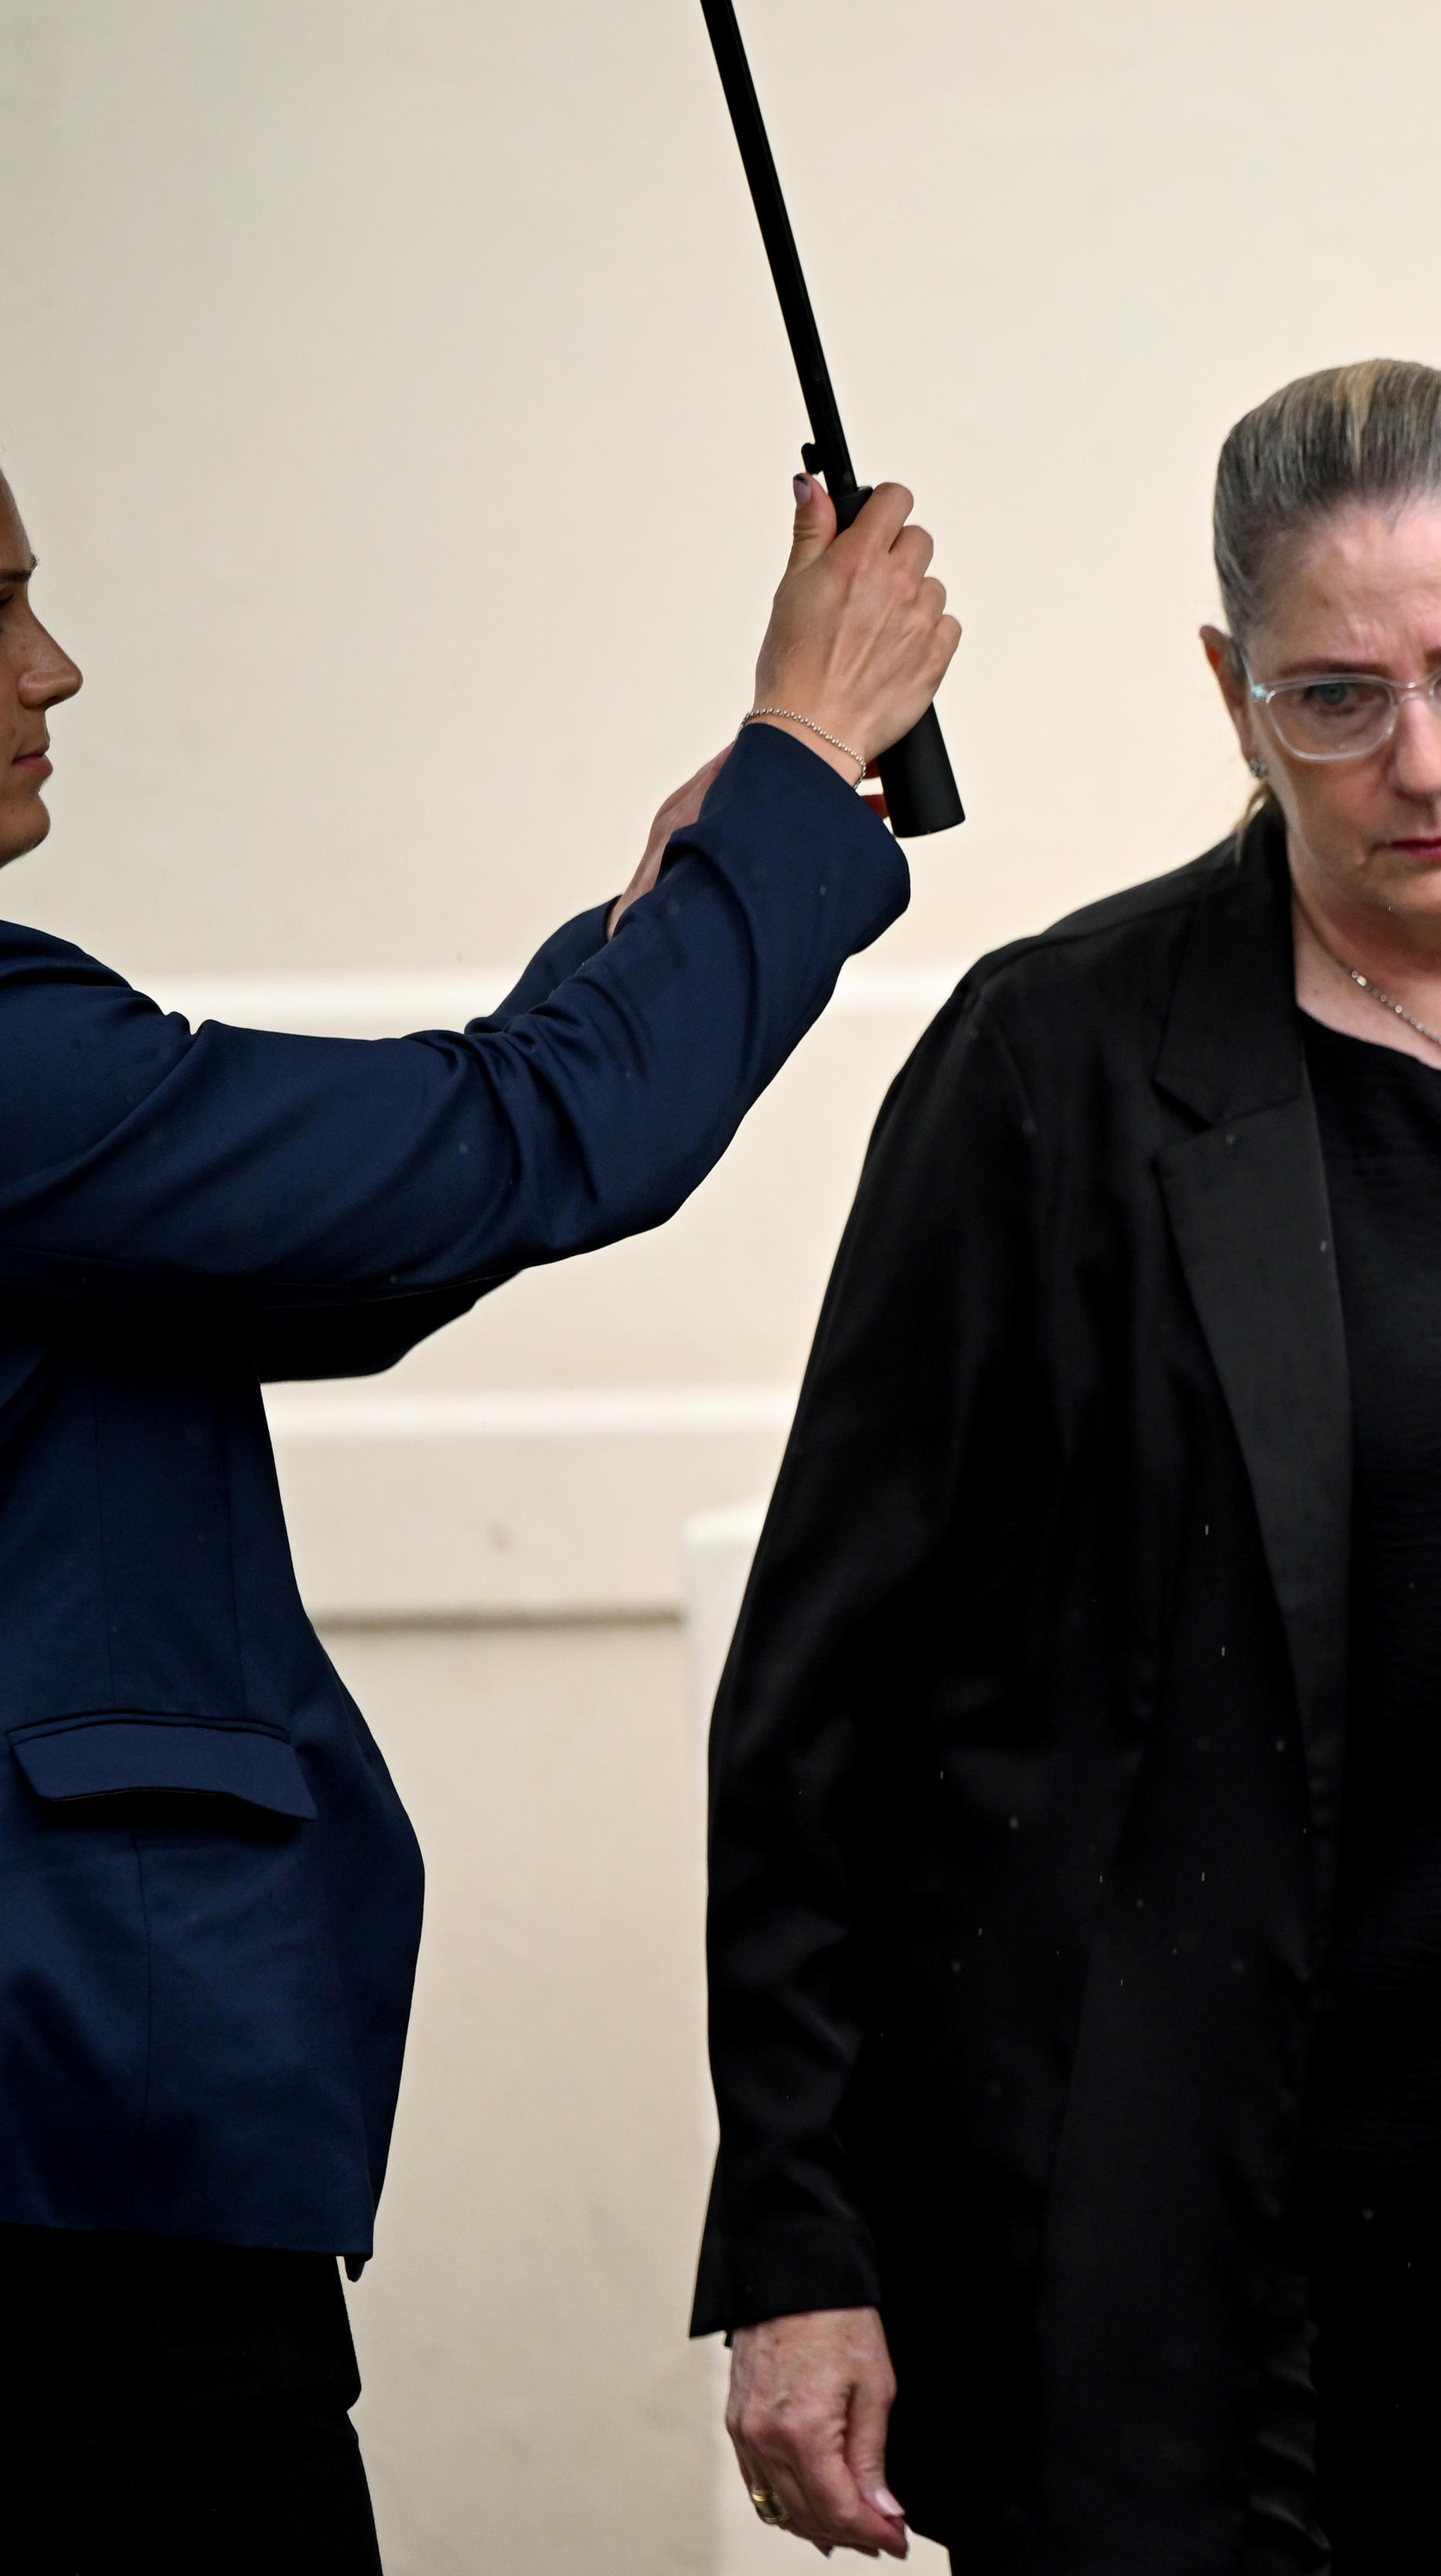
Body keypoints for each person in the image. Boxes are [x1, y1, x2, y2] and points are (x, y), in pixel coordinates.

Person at [697, 359, 1441, 2574]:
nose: (1429, 763)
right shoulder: (1059, 1065)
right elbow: (821, 1705)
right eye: (1333, 699)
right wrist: (802, 2234)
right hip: (1172, 2248)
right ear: (1226, 687)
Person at [0, 464, 961, 2575]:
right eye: (0, 608)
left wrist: (684, 911)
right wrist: (799, 765)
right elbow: (489, 1161)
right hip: (75, 2217)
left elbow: (351, 1236)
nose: (51, 670)